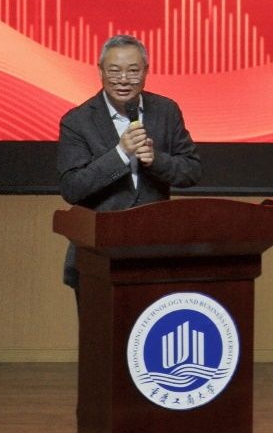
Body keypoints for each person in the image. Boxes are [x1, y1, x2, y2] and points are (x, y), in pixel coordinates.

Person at [57, 34, 202, 292]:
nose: (123, 79)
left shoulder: (166, 111)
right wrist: (121, 154)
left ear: (146, 71)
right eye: (114, 71)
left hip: (156, 255)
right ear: (100, 71)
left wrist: (156, 160)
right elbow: (72, 188)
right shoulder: (77, 121)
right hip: (97, 257)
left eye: (133, 71)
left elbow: (192, 170)